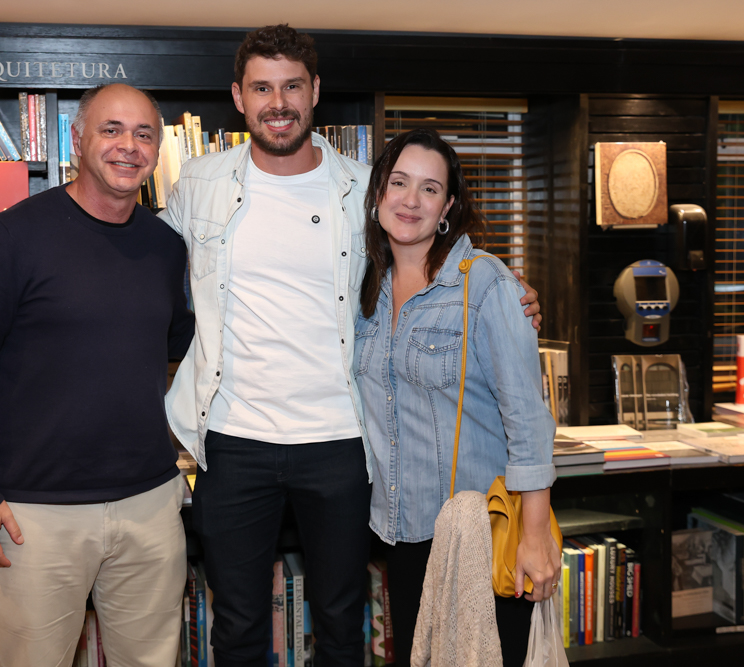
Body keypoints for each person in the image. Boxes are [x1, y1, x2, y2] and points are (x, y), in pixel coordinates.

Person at [161, 25, 542, 666]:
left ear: (315, 92)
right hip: (229, 439)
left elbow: (427, 256)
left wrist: (510, 291)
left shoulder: (365, 188)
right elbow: (147, 268)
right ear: (238, 96)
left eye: (291, 86)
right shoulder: (198, 183)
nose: (276, 102)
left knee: (344, 623)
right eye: (261, 87)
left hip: (339, 442)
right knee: (237, 623)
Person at [0, 83, 194, 667]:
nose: (128, 146)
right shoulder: (10, 239)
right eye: (111, 130)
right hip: (34, 517)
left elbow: (179, 342)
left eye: (144, 134)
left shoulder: (165, 247)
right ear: (77, 140)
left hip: (150, 505)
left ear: (156, 150)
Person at [354, 128, 560, 667]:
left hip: (479, 533)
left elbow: (527, 418)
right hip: (400, 532)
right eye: (398, 182)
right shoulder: (362, 291)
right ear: (377, 193)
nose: (410, 200)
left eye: (429, 189)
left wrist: (534, 536)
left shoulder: (486, 283)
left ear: (447, 206)